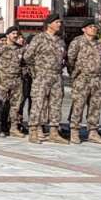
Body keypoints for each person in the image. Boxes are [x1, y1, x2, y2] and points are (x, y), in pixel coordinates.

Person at [24, 13, 68, 144]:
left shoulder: (60, 40)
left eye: (60, 22)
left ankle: (54, 131)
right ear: (49, 24)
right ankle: (33, 131)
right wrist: (36, 71)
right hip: (42, 75)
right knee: (38, 103)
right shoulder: (39, 38)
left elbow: (63, 58)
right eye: (57, 22)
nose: (59, 25)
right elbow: (28, 56)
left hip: (57, 76)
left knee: (56, 104)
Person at [66, 20, 101, 144]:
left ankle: (93, 132)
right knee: (78, 105)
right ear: (84, 29)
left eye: (95, 27)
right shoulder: (77, 42)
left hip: (96, 79)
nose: (94, 28)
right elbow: (70, 60)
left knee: (95, 107)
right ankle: (74, 131)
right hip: (82, 79)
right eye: (90, 27)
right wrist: (75, 74)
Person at [0, 27, 27, 138]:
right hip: (3, 80)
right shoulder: (1, 48)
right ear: (7, 35)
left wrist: (22, 72)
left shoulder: (20, 49)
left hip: (17, 81)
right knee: (0, 105)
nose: (15, 35)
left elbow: (24, 64)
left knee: (16, 106)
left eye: (16, 34)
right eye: (13, 33)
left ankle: (13, 127)